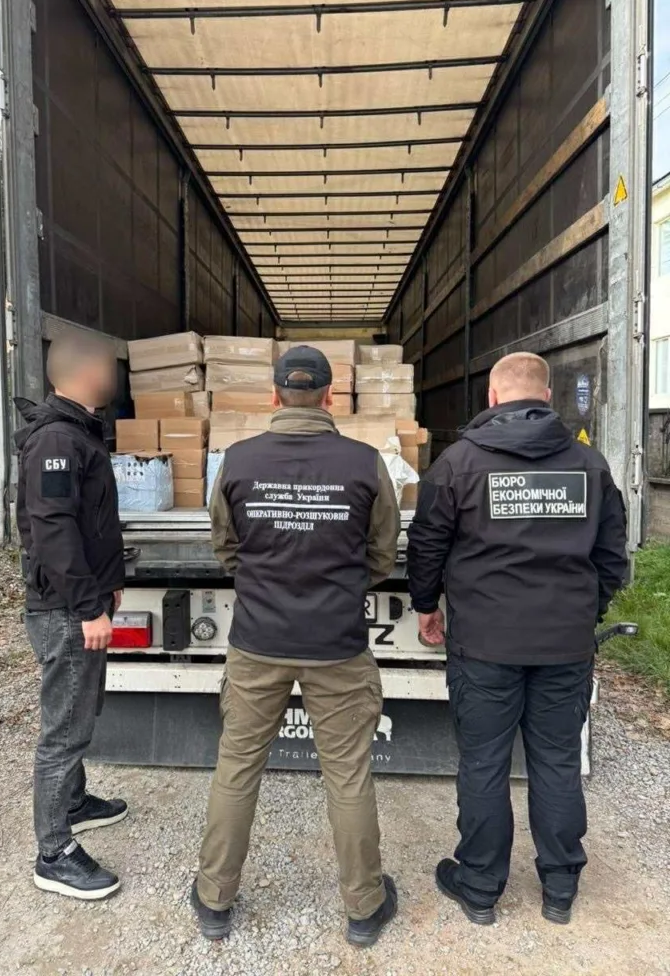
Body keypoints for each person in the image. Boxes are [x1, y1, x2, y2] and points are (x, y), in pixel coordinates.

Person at [407, 352, 627, 927]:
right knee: (556, 761)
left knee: (483, 762)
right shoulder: (589, 465)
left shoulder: (458, 464)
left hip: (484, 645)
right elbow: (612, 557)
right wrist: (586, 612)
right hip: (565, 644)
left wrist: (427, 606)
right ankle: (560, 888)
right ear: (547, 396)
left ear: (492, 397)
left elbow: (426, 544)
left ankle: (480, 887)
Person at [192, 345, 401, 947]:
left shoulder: (238, 460)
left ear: (275, 396)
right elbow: (382, 554)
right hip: (337, 643)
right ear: (331, 397)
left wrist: (266, 582)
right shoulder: (365, 463)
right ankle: (363, 906)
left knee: (237, 766)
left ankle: (214, 899)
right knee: (348, 774)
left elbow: (226, 547)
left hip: (258, 639)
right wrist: (338, 586)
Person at [15, 332, 128, 900]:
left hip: (81, 601)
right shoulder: (57, 439)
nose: (115, 377)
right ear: (85, 373)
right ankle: (54, 853)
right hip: (64, 609)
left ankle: (75, 803)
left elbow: (90, 522)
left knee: (79, 711)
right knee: (64, 730)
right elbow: (53, 529)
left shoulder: (79, 430)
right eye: (108, 368)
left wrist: (109, 586)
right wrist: (88, 605)